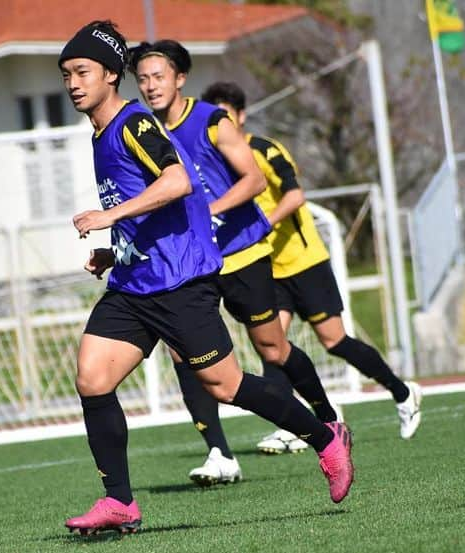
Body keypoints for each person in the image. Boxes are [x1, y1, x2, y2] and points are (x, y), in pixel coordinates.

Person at [58, 21, 355, 535]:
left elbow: (177, 181)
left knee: (226, 386)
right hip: (135, 284)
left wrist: (109, 217)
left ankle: (324, 437)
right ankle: (120, 502)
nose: (72, 83)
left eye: (82, 71)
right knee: (92, 377)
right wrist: (116, 250)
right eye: (66, 75)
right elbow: (146, 209)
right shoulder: (101, 133)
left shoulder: (135, 123)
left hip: (180, 283)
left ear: (111, 75)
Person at [129, 40, 346, 486]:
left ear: (179, 78)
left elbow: (253, 179)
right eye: (143, 78)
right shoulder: (146, 131)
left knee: (272, 348)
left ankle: (328, 421)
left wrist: (208, 211)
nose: (150, 86)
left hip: (242, 253)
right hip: (192, 264)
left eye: (158, 76)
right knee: (184, 354)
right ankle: (220, 454)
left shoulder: (212, 121)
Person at [201, 81, 422, 454]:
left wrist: (263, 223)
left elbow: (295, 195)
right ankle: (291, 424)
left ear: (240, 116)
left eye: (225, 114)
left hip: (304, 261)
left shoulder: (263, 150)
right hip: (266, 265)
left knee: (334, 340)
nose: (219, 122)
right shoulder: (213, 161)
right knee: (273, 346)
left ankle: (403, 391)